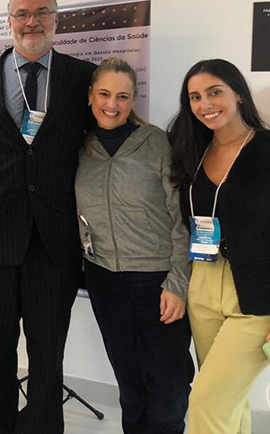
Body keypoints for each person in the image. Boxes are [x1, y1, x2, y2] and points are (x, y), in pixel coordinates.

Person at [0, 0, 96, 434]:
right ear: (9, 21)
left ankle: (43, 425)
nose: (32, 22)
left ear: (57, 19)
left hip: (55, 235)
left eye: (42, 13)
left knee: (48, 347)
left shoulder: (83, 78)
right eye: (22, 14)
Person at [75, 57, 193, 434]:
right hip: (104, 281)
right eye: (104, 94)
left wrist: (177, 283)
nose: (112, 104)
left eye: (122, 96)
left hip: (156, 281)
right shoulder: (80, 147)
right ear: (90, 96)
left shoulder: (157, 143)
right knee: (129, 382)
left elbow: (182, 218)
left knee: (169, 384)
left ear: (133, 99)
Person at [168, 59, 270, 434]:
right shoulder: (192, 150)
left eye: (215, 92)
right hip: (203, 284)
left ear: (238, 94)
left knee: (206, 402)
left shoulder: (266, 148)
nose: (205, 104)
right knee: (228, 403)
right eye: (195, 97)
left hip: (258, 294)